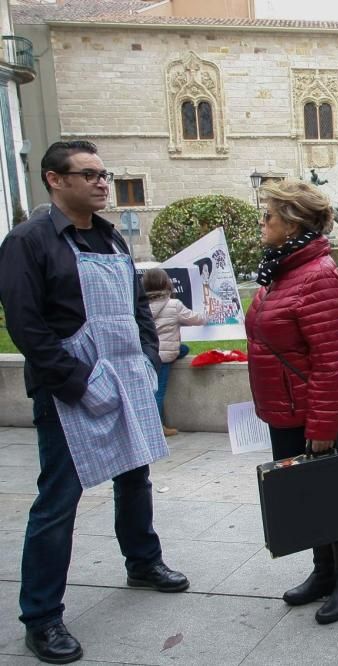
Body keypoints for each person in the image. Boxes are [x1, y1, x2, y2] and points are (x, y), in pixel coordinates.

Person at [0, 140, 188, 664]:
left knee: (136, 477)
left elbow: (135, 310)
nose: (102, 183)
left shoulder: (110, 238)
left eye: (104, 174)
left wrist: (148, 361)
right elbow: (26, 326)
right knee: (57, 502)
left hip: (127, 378)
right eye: (89, 175)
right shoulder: (28, 241)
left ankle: (142, 561)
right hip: (69, 391)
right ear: (54, 181)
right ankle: (41, 617)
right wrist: (77, 382)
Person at [245, 179, 338, 625]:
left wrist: (322, 430)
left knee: (330, 497)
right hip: (283, 408)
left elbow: (331, 361)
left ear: (292, 223)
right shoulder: (282, 269)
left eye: (269, 215)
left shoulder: (318, 275)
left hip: (310, 412)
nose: (263, 221)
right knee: (304, 497)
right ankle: (323, 572)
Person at [141, 268, 206, 437]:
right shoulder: (173, 305)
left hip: (147, 353)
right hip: (164, 357)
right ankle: (157, 428)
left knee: (182, 349)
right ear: (166, 283)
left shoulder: (140, 305)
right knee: (159, 391)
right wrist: (208, 315)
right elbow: (195, 319)